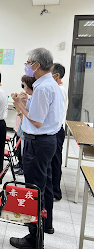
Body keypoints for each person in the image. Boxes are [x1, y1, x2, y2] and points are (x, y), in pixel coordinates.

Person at [10, 48, 63, 249]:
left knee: (34, 189)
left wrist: (18, 104)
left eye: (28, 62)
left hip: (38, 142)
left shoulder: (42, 88)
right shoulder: (49, 84)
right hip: (47, 142)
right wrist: (25, 101)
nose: (27, 65)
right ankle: (46, 225)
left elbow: (38, 121)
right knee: (45, 184)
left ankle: (34, 238)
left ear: (36, 65)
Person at [51, 63, 68, 201]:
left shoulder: (59, 90)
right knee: (52, 161)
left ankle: (56, 192)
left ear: (56, 76)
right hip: (55, 130)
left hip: (56, 131)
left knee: (55, 162)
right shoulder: (57, 88)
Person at [14, 75, 36, 175]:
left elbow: (26, 118)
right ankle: (22, 165)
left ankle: (23, 167)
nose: (23, 87)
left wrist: (18, 105)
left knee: (24, 155)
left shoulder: (35, 100)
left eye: (24, 85)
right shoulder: (31, 99)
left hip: (29, 135)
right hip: (24, 132)